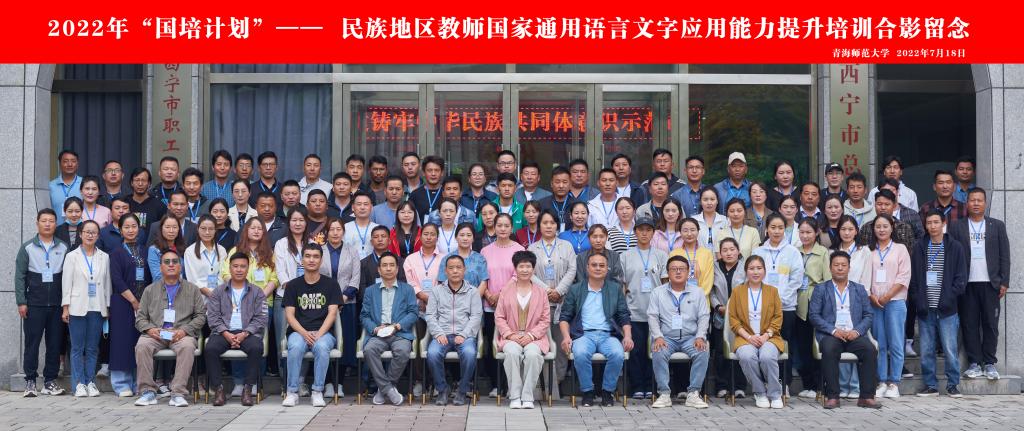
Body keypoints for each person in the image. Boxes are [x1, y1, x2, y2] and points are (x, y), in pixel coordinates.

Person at [133, 248, 207, 407]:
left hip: (181, 334)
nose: (171, 265)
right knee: (142, 346)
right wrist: (150, 329)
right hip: (156, 334)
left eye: (175, 262)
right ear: (161, 267)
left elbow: (201, 316)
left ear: (180, 266)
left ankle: (178, 393)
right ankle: (148, 392)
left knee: (187, 346)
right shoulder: (149, 290)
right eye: (167, 262)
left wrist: (184, 330)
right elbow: (140, 318)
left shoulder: (192, 289)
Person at [950, 187, 1010, 380]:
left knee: (990, 324)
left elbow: (1004, 255)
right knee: (969, 324)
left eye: (979, 200)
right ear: (967, 203)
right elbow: (952, 255)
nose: (976, 203)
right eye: (972, 200)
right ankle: (974, 363)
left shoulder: (997, 226)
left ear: (985, 203)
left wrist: (1004, 281)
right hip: (967, 284)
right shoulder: (957, 226)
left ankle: (990, 363)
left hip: (990, 283)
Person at [808, 251, 881, 409]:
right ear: (830, 268)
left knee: (869, 350)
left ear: (849, 268)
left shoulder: (859, 289)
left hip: (853, 334)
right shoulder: (821, 289)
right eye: (836, 265)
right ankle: (833, 396)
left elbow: (868, 315)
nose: (840, 268)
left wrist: (857, 331)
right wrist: (833, 330)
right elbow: (813, 315)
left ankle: (866, 397)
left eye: (843, 265)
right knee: (829, 349)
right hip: (831, 335)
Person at [559, 252, 633, 407]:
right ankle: (588, 392)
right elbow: (565, 317)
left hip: (608, 335)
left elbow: (624, 315)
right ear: (587, 268)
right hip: (583, 335)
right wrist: (566, 337)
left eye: (602, 265)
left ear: (607, 269)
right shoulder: (576, 289)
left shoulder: (614, 289)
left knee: (617, 354)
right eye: (594, 265)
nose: (598, 268)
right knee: (580, 353)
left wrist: (628, 336)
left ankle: (607, 391)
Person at [910, 209, 967, 397]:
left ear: (943, 223)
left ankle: (953, 384)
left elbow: (961, 278)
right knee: (926, 350)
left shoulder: (955, 247)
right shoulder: (920, 246)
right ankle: (931, 385)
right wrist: (918, 299)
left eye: (936, 222)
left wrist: (949, 297)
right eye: (929, 223)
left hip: (947, 309)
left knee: (950, 349)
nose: (932, 226)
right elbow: (914, 278)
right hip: (925, 308)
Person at [16, 209, 69, 397]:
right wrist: (21, 302)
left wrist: (66, 304)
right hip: (34, 304)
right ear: (37, 223)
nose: (47, 224)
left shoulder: (63, 247)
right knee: (32, 343)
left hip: (56, 305)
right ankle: (30, 381)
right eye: (44, 220)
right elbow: (20, 276)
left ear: (56, 224)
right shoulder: (27, 247)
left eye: (51, 221)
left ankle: (49, 381)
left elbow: (67, 277)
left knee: (54, 344)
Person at [282, 243, 342, 407]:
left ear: (321, 260)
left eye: (316, 256)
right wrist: (304, 333)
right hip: (298, 332)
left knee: (322, 347)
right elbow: (289, 315)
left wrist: (319, 334)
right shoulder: (293, 285)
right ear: (302, 260)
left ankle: (317, 391)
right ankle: (292, 392)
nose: (311, 260)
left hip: (324, 332)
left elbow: (332, 314)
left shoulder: (331, 284)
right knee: (295, 347)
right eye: (307, 256)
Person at [205, 252, 268, 406]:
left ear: (248, 268)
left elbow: (261, 318)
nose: (239, 270)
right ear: (229, 268)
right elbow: (212, 317)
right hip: (223, 332)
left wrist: (244, 333)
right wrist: (226, 333)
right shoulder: (218, 291)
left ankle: (247, 389)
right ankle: (219, 390)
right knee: (211, 348)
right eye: (235, 266)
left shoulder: (257, 292)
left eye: (243, 266)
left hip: (247, 332)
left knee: (256, 347)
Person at [648, 255, 711, 409]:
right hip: (667, 338)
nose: (678, 272)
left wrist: (700, 337)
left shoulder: (698, 292)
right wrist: (658, 337)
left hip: (691, 337)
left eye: (681, 269)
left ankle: (693, 393)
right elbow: (652, 316)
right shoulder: (657, 292)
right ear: (667, 272)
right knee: (658, 350)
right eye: (674, 269)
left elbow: (704, 317)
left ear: (688, 272)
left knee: (703, 350)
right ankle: (664, 394)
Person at [526, 210, 577, 397]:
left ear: (558, 226)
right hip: (540, 303)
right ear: (539, 226)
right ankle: (541, 386)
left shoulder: (567, 246)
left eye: (552, 223)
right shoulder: (532, 248)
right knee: (541, 343)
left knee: (561, 344)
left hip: (562, 302)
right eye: (545, 223)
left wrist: (559, 291)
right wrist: (547, 291)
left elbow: (572, 270)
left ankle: (557, 383)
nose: (548, 226)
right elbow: (529, 272)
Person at [751, 213, 804, 392]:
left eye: (780, 228)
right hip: (761, 309)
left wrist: (780, 301)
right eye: (773, 227)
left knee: (784, 345)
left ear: (785, 230)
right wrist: (766, 302)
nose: (776, 231)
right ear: (766, 229)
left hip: (786, 307)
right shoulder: (758, 252)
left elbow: (796, 280)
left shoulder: (793, 252)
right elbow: (753, 278)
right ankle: (766, 382)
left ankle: (784, 383)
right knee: (763, 345)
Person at [494, 251, 551, 409]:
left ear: (533, 269)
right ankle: (515, 396)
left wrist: (531, 335)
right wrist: (510, 334)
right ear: (515, 268)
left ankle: (527, 396)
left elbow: (545, 319)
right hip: (511, 337)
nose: (525, 270)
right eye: (521, 266)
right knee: (512, 353)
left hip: (535, 338)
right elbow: (499, 317)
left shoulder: (541, 292)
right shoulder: (506, 291)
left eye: (528, 266)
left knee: (533, 355)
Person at [360, 252, 418, 406]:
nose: (388, 268)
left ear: (397, 269)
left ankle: (383, 390)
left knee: (403, 351)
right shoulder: (370, 291)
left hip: (400, 333)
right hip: (378, 334)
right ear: (379, 270)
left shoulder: (407, 289)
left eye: (392, 265)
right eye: (384, 265)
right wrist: (375, 329)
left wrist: (398, 326)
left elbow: (413, 313)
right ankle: (389, 389)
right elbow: (364, 316)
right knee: (369, 350)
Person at [727, 256, 785, 409]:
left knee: (767, 357)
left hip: (769, 337)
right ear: (746, 271)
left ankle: (775, 394)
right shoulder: (737, 291)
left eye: (759, 268)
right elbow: (733, 319)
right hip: (745, 337)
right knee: (747, 356)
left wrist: (766, 335)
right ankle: (760, 392)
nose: (755, 272)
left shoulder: (772, 291)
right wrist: (749, 337)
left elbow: (778, 317)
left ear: (764, 271)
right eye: (751, 268)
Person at [425, 255, 483, 405]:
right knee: (432, 354)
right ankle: (442, 390)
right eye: (451, 268)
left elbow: (476, 316)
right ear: (445, 271)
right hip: (442, 334)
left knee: (469, 354)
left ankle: (462, 391)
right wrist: (438, 333)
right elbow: (430, 315)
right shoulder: (436, 291)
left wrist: (464, 335)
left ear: (464, 270)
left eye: (458, 267)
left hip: (465, 336)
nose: (455, 271)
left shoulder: (473, 292)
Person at [866, 214, 911, 398]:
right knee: (880, 343)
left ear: (892, 227)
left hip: (895, 301)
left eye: (885, 226)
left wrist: (887, 296)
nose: (881, 229)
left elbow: (904, 276)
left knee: (896, 342)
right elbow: (864, 277)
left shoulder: (900, 249)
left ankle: (894, 382)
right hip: (874, 302)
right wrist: (871, 296)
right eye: (878, 226)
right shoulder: (869, 250)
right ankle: (882, 381)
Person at [480, 214, 526, 395]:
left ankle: (510, 384)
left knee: (510, 343)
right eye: (499, 225)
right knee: (492, 345)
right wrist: (488, 295)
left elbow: (518, 276)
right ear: (494, 227)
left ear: (512, 228)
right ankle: (496, 384)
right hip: (489, 305)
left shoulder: (519, 249)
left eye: (506, 225)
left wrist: (500, 295)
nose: (503, 229)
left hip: (512, 306)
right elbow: (482, 276)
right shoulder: (485, 250)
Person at [108, 213, 148, 397]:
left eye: (134, 226)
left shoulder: (145, 250)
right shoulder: (115, 253)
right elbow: (117, 279)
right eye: (126, 227)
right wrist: (133, 301)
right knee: (122, 342)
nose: (131, 230)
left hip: (144, 303)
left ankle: (138, 382)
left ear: (139, 228)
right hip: (123, 303)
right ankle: (121, 383)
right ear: (120, 230)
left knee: (139, 341)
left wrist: (142, 302)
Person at [320, 217, 361, 396]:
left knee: (345, 342)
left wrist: (341, 299)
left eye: (338, 229)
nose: (335, 233)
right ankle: (328, 382)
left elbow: (355, 279)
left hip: (346, 304)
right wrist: (331, 301)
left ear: (343, 231)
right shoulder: (319, 250)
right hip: (322, 304)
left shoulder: (352, 251)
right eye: (332, 229)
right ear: (326, 232)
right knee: (325, 341)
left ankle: (340, 383)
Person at [403, 223, 442, 397]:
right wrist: (422, 296)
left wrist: (432, 300)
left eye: (432, 234)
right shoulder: (410, 259)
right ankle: (419, 381)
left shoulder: (444, 258)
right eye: (425, 233)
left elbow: (445, 281)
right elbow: (409, 282)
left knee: (437, 345)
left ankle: (436, 382)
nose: (429, 237)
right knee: (418, 345)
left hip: (439, 311)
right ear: (420, 236)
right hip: (416, 309)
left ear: (437, 237)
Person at [793, 218, 831, 399]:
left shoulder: (823, 252)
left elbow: (827, 280)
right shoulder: (794, 251)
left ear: (816, 233)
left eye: (809, 232)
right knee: (803, 345)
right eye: (802, 232)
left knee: (818, 345)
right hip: (798, 301)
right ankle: (808, 383)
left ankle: (819, 385)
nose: (805, 236)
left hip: (817, 300)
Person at [710, 238, 746, 399]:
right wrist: (718, 306)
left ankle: (739, 386)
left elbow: (748, 288)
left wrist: (736, 309)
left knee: (740, 349)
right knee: (720, 351)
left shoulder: (745, 267)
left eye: (732, 249)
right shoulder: (715, 267)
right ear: (720, 253)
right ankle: (722, 386)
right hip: (720, 315)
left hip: (741, 315)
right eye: (725, 250)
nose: (729, 253)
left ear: (738, 251)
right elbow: (711, 291)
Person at [668, 218, 715, 298]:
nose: (689, 234)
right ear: (680, 233)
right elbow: (672, 278)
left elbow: (708, 280)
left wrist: (698, 297)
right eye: (685, 230)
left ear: (698, 231)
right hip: (680, 299)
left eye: (692, 230)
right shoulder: (674, 253)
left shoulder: (707, 253)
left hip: (702, 300)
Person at [183, 215, 226, 298]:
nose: (207, 232)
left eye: (211, 229)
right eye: (203, 228)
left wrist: (217, 294)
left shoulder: (221, 250)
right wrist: (210, 294)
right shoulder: (190, 252)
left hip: (220, 296)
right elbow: (193, 279)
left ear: (215, 230)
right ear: (197, 229)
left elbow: (222, 275)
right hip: (199, 297)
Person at [146, 214, 185, 282]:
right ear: (161, 228)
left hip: (183, 287)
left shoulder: (183, 248)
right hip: (161, 287)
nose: (171, 231)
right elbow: (157, 276)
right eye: (167, 227)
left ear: (179, 229)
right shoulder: (154, 250)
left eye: (175, 227)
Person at [49, 149, 82, 225]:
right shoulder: (50, 186)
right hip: (57, 229)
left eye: (73, 161)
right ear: (59, 164)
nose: (70, 164)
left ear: (77, 164)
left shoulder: (85, 184)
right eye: (65, 161)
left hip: (81, 230)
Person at [409, 156, 445, 222]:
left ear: (442, 173)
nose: (433, 174)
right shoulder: (415, 195)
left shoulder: (447, 193)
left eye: (436, 170)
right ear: (423, 173)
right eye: (429, 170)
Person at [344, 191, 379, 259]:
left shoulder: (378, 228)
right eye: (359, 204)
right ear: (353, 207)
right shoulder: (345, 227)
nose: (362, 207)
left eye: (366, 204)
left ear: (371, 207)